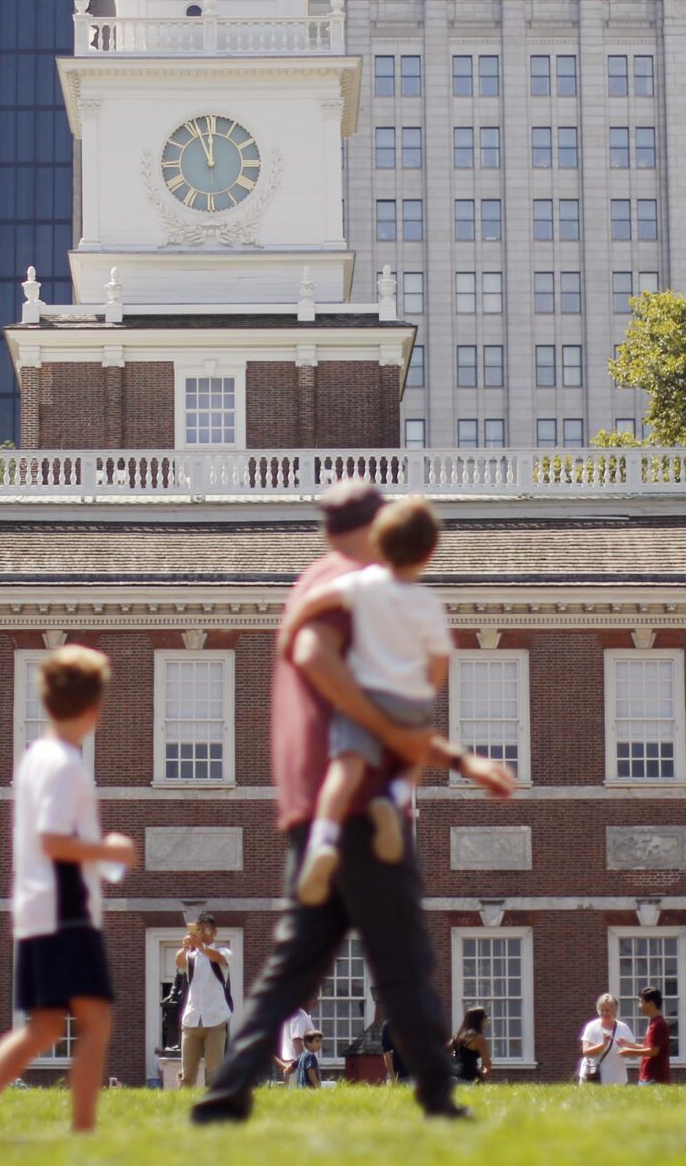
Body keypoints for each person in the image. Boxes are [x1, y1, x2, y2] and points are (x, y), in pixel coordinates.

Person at [194, 481, 518, 1127]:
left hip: (312, 803)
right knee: (404, 960)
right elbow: (321, 657)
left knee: (295, 964)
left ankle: (228, 1089)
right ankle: (437, 1095)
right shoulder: (362, 586)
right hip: (365, 800)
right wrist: (402, 733)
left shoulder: (314, 582)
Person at [0, 645, 136, 1141]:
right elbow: (53, 839)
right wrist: (109, 849)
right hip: (67, 909)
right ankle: (84, 1135)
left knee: (43, 1027)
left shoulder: (34, 759)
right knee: (96, 1021)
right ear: (95, 708)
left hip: (36, 910)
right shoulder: (66, 765)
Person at [278, 497, 451, 905]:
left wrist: (289, 630)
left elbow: (315, 602)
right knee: (410, 758)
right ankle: (393, 800)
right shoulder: (427, 603)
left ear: (379, 543)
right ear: (427, 555)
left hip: (365, 696)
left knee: (344, 771)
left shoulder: (365, 583)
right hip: (407, 699)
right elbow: (440, 658)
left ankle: (323, 840)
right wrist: (426, 691)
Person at [173, 913, 236, 1091]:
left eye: (206, 930)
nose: (201, 933)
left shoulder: (224, 952)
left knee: (215, 1074)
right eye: (198, 930)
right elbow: (178, 962)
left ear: (215, 932)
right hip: (192, 1019)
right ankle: (184, 1104)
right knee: (187, 1074)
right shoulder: (190, 956)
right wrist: (185, 948)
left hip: (215, 1018)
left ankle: (215, 1104)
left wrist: (200, 946)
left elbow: (219, 958)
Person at [578, 993, 635, 1085]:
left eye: (607, 1010)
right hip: (594, 1077)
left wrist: (627, 1048)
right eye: (601, 1010)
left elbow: (634, 1055)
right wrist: (603, 1045)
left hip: (618, 1079)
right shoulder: (592, 1027)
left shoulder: (623, 1028)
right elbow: (586, 1052)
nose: (604, 1013)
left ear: (614, 1010)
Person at [634, 987, 673, 1085]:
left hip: (654, 1079)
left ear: (651, 1004)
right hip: (648, 1077)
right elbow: (648, 1047)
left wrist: (629, 1052)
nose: (639, 1006)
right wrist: (629, 1045)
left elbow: (653, 1051)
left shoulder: (658, 1024)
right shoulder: (653, 1022)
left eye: (641, 1002)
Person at [447, 1008, 492, 1083]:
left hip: (452, 1076)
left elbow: (443, 1051)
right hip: (467, 1077)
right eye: (485, 1018)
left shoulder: (458, 1036)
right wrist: (481, 1074)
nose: (486, 1020)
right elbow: (487, 1064)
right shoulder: (478, 1038)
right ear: (479, 1020)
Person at [275, 1006, 314, 1081]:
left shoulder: (289, 1014)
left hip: (291, 1064)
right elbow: (297, 1040)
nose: (316, 1002)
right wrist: (304, 1066)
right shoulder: (299, 1014)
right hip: (297, 1065)